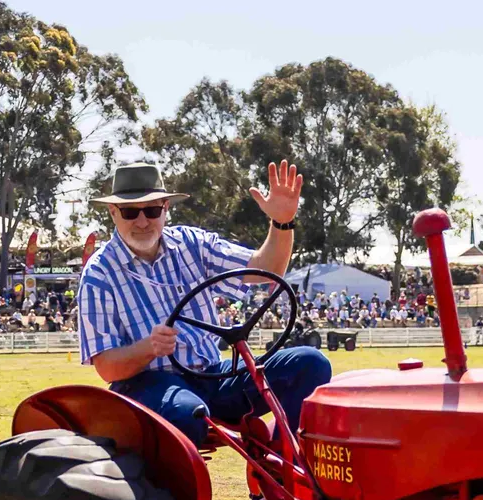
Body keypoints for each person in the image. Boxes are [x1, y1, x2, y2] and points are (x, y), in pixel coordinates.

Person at [76, 160, 330, 446]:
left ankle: (287, 476)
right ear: (113, 212)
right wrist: (148, 348)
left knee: (310, 364)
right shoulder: (99, 274)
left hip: (212, 375)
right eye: (130, 211)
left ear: (165, 208)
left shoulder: (191, 244)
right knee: (187, 414)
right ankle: (173, 490)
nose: (143, 221)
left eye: (152, 210)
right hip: (147, 383)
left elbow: (265, 268)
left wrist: (282, 222)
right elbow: (108, 368)